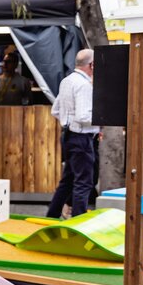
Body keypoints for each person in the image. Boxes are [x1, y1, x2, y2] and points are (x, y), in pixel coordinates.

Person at [46, 48, 98, 219]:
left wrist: (67, 121)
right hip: (82, 137)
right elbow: (83, 116)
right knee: (84, 182)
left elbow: (55, 110)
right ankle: (78, 221)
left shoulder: (66, 81)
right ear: (92, 65)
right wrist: (101, 120)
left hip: (68, 135)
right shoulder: (84, 85)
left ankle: (52, 216)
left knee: (67, 180)